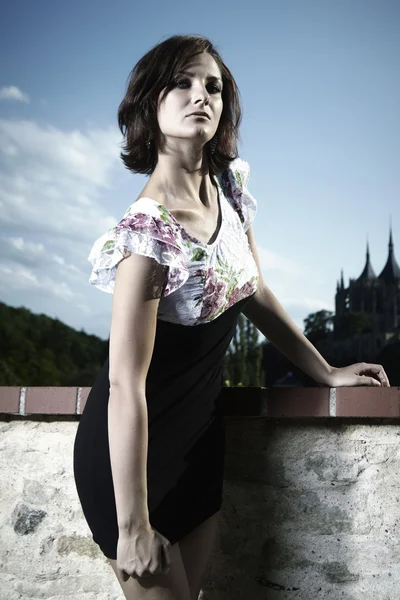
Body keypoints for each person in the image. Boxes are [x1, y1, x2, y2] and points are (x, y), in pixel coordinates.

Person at [73, 34, 390, 600]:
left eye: (214, 87)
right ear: (151, 103)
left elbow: (253, 291)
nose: (202, 96)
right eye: (184, 83)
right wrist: (132, 525)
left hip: (199, 442)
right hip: (131, 461)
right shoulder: (148, 233)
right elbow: (125, 382)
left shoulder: (231, 189)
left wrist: (327, 373)